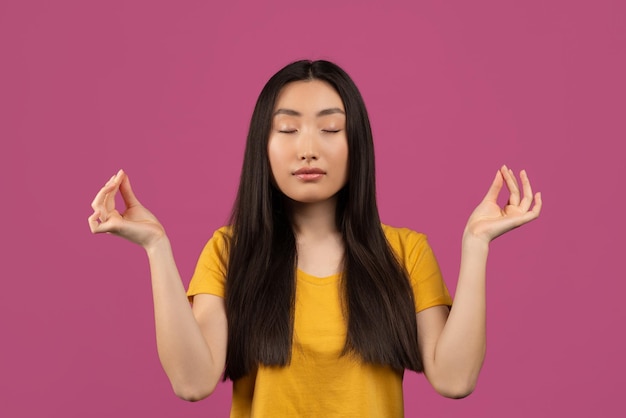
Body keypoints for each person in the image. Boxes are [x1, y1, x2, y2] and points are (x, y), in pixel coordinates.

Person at [88, 60, 542, 417]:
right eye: (287, 129)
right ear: (262, 147)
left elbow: (455, 379)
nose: (308, 148)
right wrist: (157, 248)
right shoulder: (230, 251)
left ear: (356, 144)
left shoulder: (406, 252)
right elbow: (192, 383)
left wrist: (476, 246)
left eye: (330, 129)